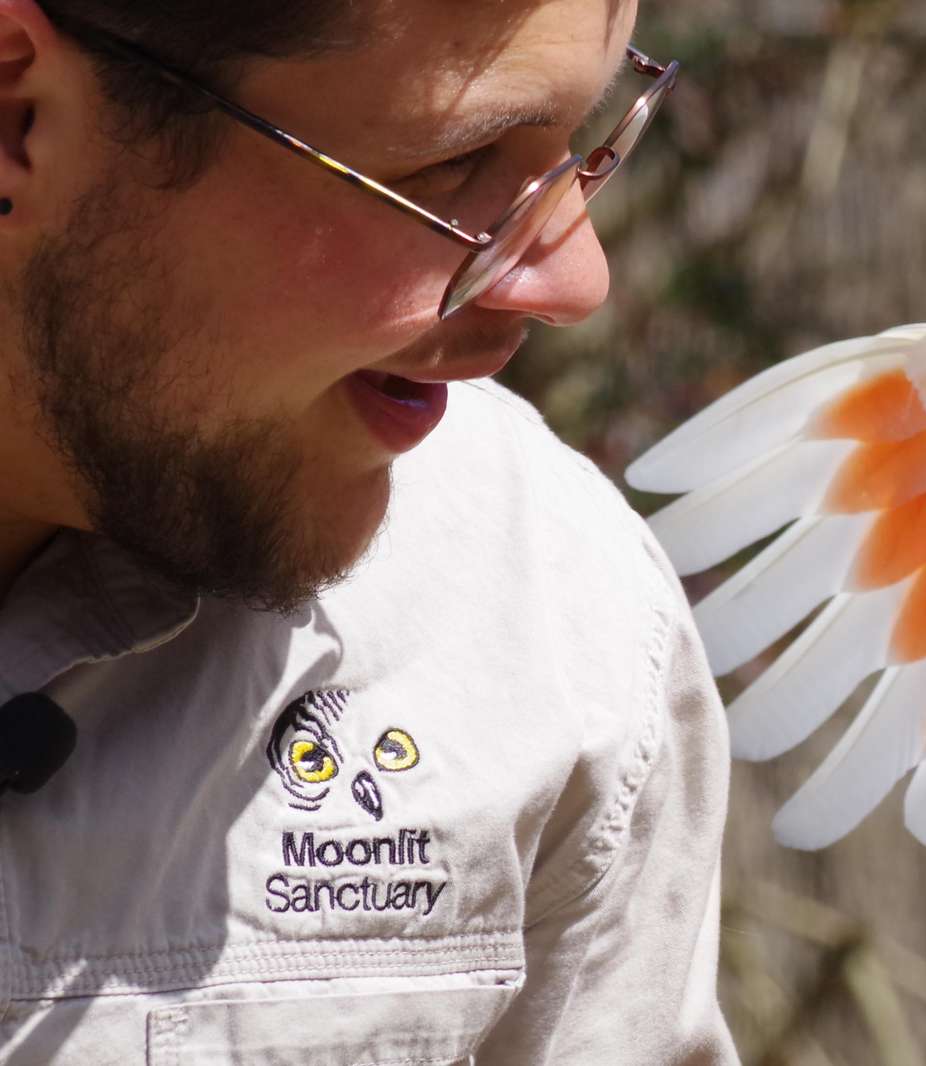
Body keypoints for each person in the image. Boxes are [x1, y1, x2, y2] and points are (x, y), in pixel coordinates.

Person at [0, 0, 737, 1060]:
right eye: (457, 165)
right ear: (18, 117)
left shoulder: (548, 608)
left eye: (588, 141)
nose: (576, 282)